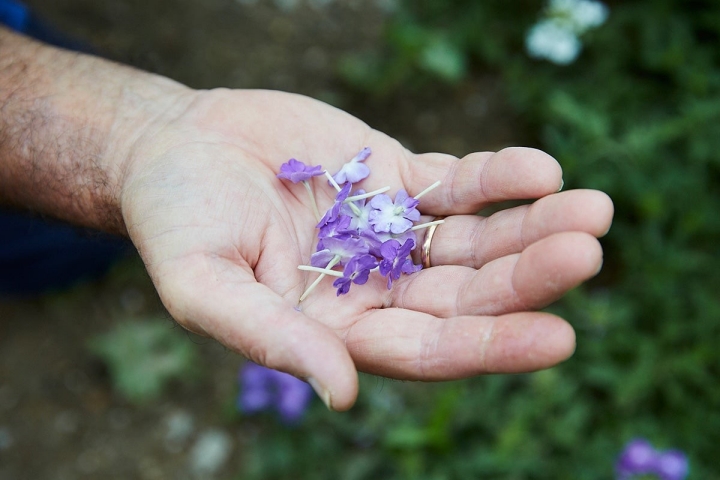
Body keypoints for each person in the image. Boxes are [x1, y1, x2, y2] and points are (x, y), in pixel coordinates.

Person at [0, 12, 614, 412]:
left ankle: (64, 247)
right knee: (38, 246)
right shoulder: (343, 230)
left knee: (63, 244)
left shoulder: (362, 222)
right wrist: (133, 142)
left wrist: (131, 135)